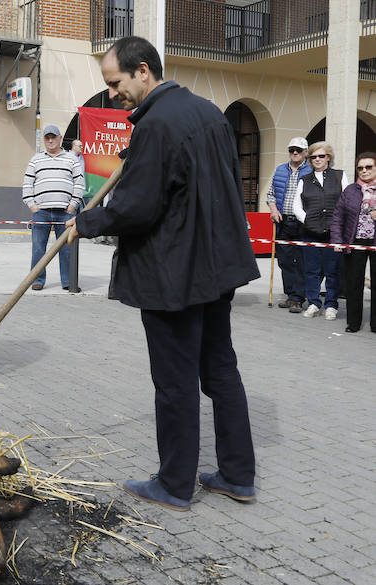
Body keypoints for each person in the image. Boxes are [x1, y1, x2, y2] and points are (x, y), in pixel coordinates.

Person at [66, 36, 259, 511]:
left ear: (144, 71)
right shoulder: (210, 113)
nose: (113, 94)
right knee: (220, 370)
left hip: (174, 273)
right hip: (215, 268)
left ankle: (174, 484)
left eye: (116, 84)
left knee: (175, 382)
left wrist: (86, 221)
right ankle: (236, 474)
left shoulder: (157, 126)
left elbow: (137, 208)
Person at [22, 124, 85, 290]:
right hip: (40, 212)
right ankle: (37, 280)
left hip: (65, 213)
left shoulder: (71, 159)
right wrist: (32, 205)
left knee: (66, 249)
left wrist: (73, 205)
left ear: (60, 138)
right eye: (47, 138)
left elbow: (79, 183)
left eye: (53, 137)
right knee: (38, 249)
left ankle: (68, 281)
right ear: (44, 140)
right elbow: (27, 183)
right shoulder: (36, 159)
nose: (50, 140)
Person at [292, 142, 349, 320]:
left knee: (333, 270)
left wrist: (340, 225)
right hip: (309, 232)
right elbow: (296, 206)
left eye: (321, 156)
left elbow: (346, 201)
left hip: (334, 232)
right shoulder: (304, 180)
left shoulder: (340, 176)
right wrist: (308, 221)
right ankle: (314, 303)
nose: (317, 159)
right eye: (313, 157)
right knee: (311, 271)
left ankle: (331, 305)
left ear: (328, 157)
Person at [330, 152, 376, 333]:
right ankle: (353, 323)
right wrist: (336, 240)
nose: (364, 171)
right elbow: (338, 217)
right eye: (360, 168)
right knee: (354, 283)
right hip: (354, 241)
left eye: (369, 167)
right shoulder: (350, 190)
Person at [266, 137, 312, 313]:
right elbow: (271, 194)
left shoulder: (310, 171)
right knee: (284, 261)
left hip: (302, 223)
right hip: (283, 221)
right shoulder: (280, 170)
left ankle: (298, 298)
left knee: (300, 261)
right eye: (292, 149)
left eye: (299, 150)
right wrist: (273, 209)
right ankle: (290, 294)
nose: (295, 153)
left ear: (305, 153)